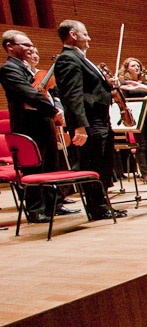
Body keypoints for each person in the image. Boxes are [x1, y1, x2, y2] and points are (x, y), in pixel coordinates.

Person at [54, 20, 126, 220]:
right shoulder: (67, 59)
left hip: (100, 120)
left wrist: (107, 84)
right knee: (93, 165)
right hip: (90, 122)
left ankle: (102, 205)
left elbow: (90, 89)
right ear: (73, 35)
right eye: (85, 34)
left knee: (104, 165)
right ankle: (97, 208)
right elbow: (73, 95)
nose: (89, 38)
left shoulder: (79, 58)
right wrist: (80, 126)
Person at [0, 29, 74, 223]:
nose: (31, 48)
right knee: (33, 167)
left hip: (43, 121)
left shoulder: (28, 69)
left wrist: (55, 109)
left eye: (31, 45)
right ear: (10, 47)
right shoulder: (9, 69)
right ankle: (35, 210)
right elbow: (29, 93)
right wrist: (53, 111)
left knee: (51, 165)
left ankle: (54, 205)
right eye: (26, 45)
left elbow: (46, 92)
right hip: (28, 125)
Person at [117, 57, 147, 185]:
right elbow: (125, 102)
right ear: (127, 69)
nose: (136, 68)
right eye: (133, 66)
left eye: (138, 65)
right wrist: (144, 100)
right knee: (141, 145)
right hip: (137, 117)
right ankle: (145, 174)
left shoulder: (145, 84)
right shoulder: (125, 85)